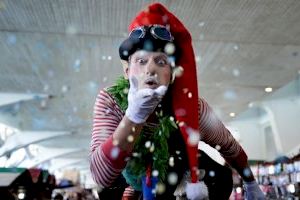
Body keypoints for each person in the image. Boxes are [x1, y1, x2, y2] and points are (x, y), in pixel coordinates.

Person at [90, 3, 265, 200]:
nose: (150, 70)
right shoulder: (111, 100)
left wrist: (251, 183)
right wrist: (133, 117)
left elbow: (228, 146)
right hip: (123, 180)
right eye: (141, 61)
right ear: (127, 70)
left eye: (161, 61)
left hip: (169, 178)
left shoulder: (192, 108)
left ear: (172, 74)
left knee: (220, 177)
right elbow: (100, 175)